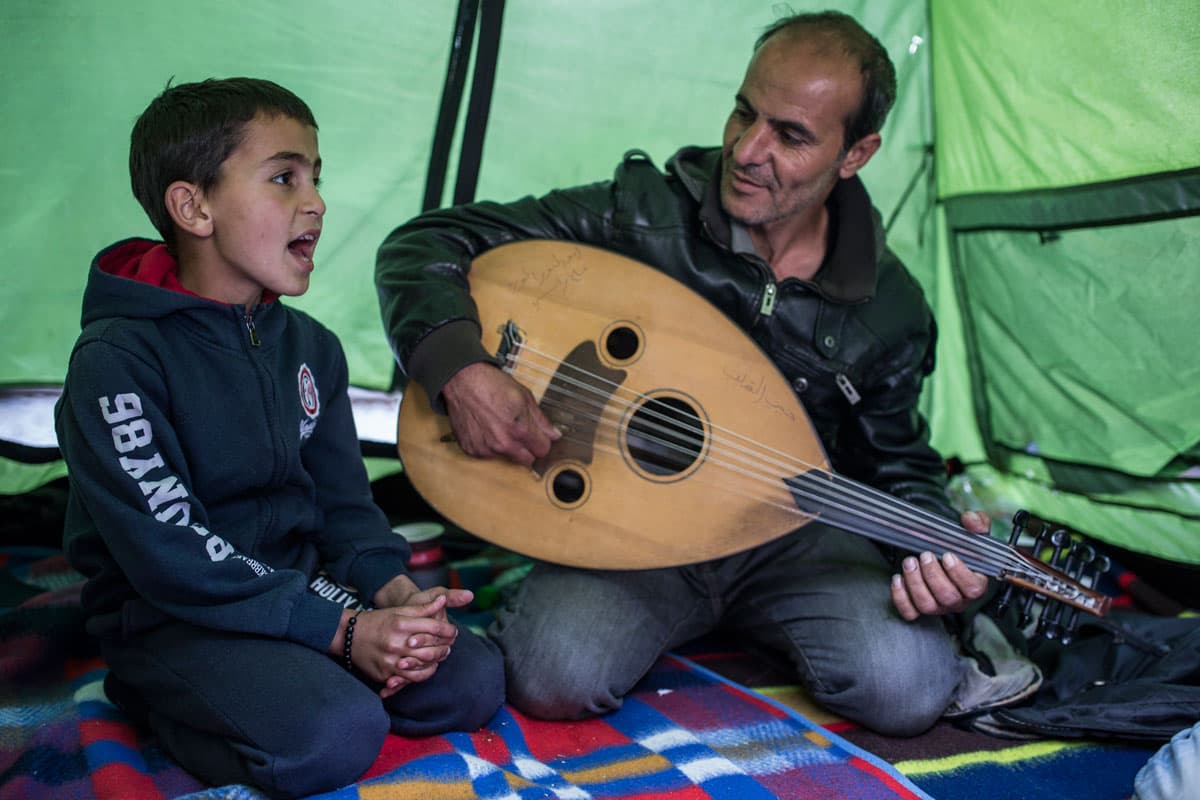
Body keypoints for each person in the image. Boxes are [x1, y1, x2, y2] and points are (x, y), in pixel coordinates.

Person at [375, 12, 1035, 735]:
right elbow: (426, 243)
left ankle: (765, 620)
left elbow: (897, 468)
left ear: (857, 153)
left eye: (790, 135)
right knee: (551, 675)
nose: (747, 150)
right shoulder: (647, 216)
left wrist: (945, 555)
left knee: (907, 690)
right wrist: (460, 367)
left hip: (792, 537)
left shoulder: (890, 308)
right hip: (625, 519)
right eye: (744, 112)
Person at [54, 77, 504, 798]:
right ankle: (160, 699)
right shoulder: (118, 362)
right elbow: (171, 552)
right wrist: (343, 635)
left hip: (296, 588)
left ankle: (301, 669)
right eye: (285, 177)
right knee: (336, 735)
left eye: (317, 178)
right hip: (174, 612)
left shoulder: (313, 349)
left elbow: (344, 504)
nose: (317, 202)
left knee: (470, 681)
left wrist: (391, 596)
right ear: (193, 206)